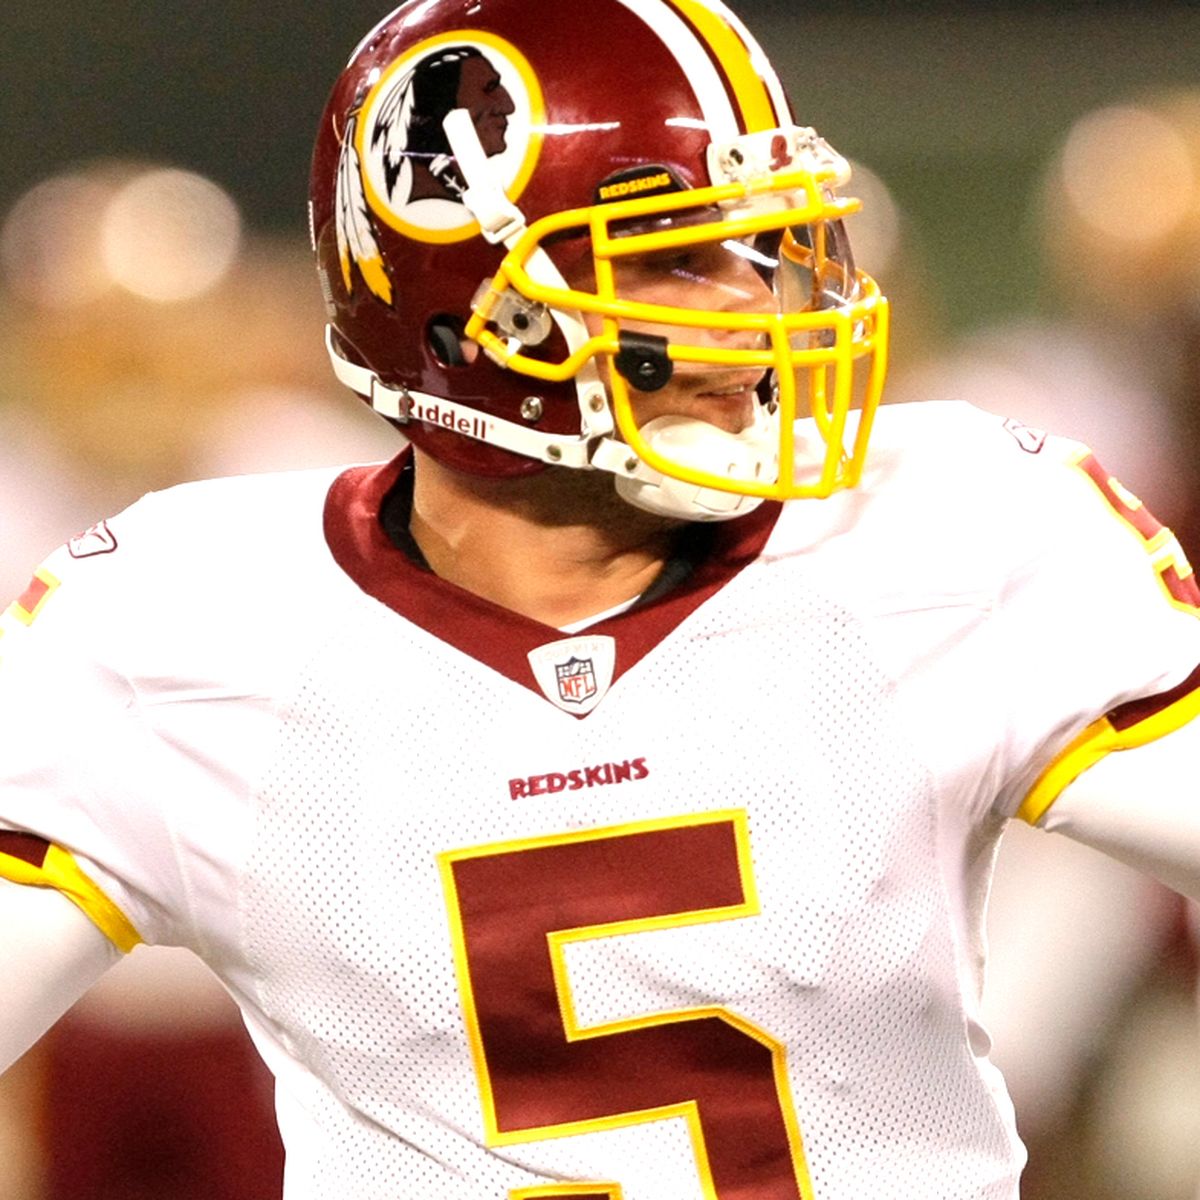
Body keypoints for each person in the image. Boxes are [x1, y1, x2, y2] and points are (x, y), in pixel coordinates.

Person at [2, 2, 1200, 1198]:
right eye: (679, 257)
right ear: (470, 312)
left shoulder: (947, 524)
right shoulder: (178, 627)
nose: (755, 304)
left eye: (760, 251)